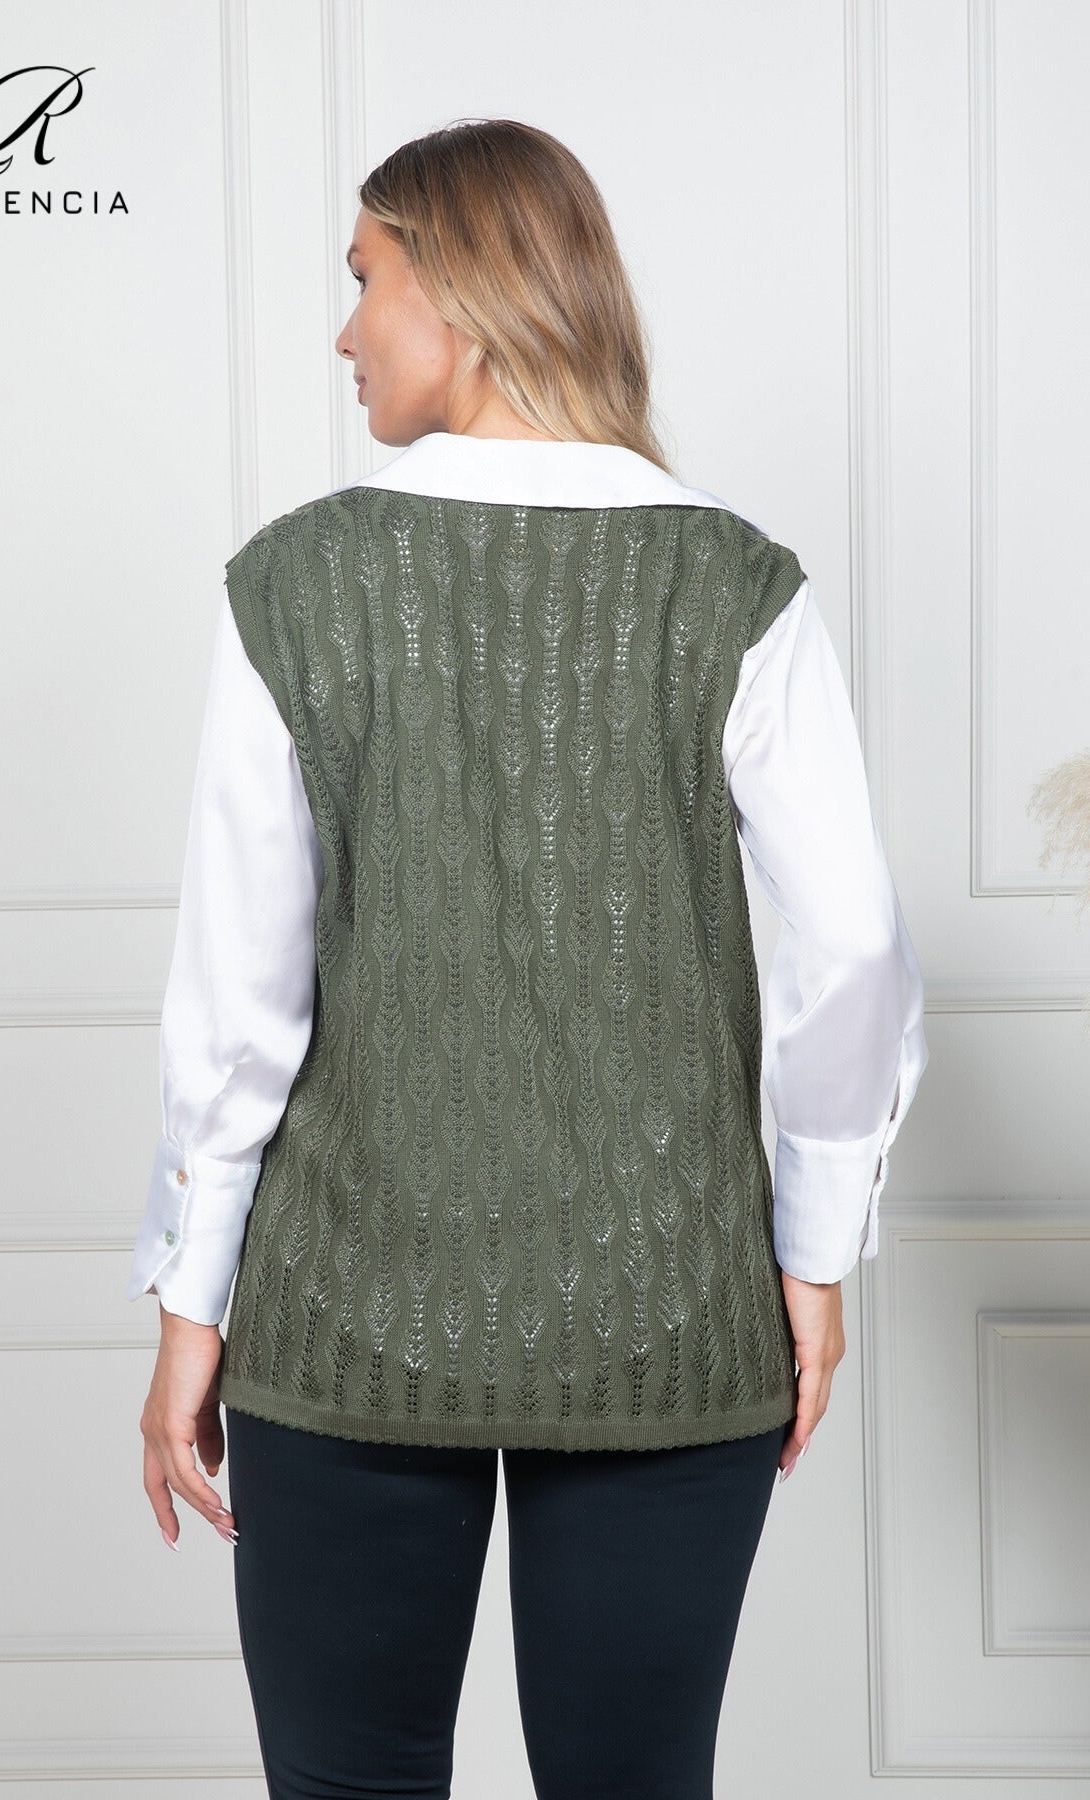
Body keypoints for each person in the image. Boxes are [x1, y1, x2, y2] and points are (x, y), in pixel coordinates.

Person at [126, 119, 928, 1800]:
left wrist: (194, 1300)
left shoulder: (297, 584)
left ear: (465, 293)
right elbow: (852, 942)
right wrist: (812, 1251)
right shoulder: (736, 585)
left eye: (364, 279)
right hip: (669, 1310)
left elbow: (241, 999)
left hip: (346, 1319)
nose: (343, 331)